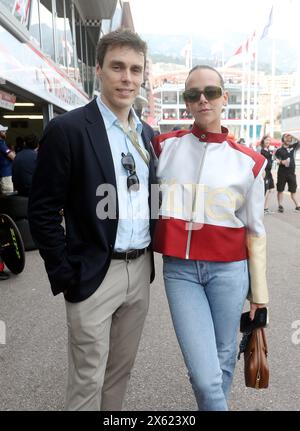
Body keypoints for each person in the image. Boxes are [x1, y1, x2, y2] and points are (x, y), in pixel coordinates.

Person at [28, 28, 157, 411]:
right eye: (118, 67)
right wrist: (65, 272)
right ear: (98, 70)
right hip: (94, 273)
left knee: (120, 372)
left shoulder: (147, 134)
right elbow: (42, 209)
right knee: (88, 378)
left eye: (135, 69)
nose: (127, 78)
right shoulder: (67, 130)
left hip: (141, 270)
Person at [152, 65, 269, 411]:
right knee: (205, 376)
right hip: (180, 271)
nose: (202, 99)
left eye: (211, 92)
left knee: (223, 360)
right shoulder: (164, 147)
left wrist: (258, 297)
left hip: (230, 273)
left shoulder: (250, 162)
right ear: (186, 102)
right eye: (193, 94)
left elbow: (256, 231)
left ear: (224, 99)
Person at [275, 133, 300, 212]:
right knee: (280, 190)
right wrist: (282, 162)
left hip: (291, 173)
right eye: (287, 138)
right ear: (283, 139)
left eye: (290, 138)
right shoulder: (279, 150)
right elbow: (277, 161)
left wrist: (292, 135)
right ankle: (280, 205)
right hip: (282, 173)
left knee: (293, 190)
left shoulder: (293, 147)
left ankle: (298, 206)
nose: (289, 139)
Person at [260, 135, 275, 213]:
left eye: (269, 140)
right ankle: (260, 209)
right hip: (264, 172)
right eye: (266, 140)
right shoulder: (261, 150)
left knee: (271, 190)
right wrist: (262, 171)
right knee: (264, 191)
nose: (268, 142)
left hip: (269, 173)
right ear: (263, 140)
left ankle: (265, 208)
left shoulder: (269, 150)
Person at [0, 124, 15, 194]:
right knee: (8, 198)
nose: (5, 132)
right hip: (5, 175)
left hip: (4, 173)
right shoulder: (1, 144)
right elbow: (13, 157)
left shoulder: (3, 143)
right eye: (3, 131)